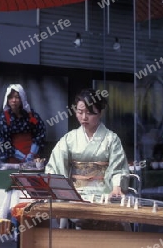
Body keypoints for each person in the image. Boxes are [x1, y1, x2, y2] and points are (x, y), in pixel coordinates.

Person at [45, 88, 130, 230]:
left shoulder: (111, 139)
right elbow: (56, 165)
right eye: (80, 112)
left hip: (104, 194)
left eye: (90, 113)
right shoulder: (69, 139)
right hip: (75, 195)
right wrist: (62, 192)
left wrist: (116, 187)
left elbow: (118, 167)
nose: (84, 117)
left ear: (100, 112)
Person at [0, 84, 46, 166]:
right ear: (7, 100)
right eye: (10, 97)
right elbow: (3, 142)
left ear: (22, 98)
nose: (14, 100)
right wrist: (21, 156)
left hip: (32, 157)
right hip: (12, 159)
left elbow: (40, 133)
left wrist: (31, 153)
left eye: (17, 97)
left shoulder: (31, 115)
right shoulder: (3, 119)